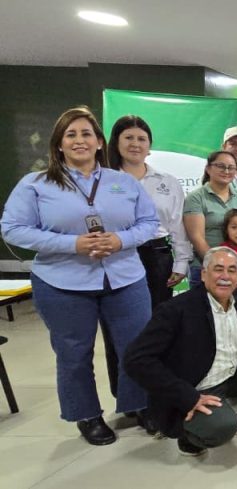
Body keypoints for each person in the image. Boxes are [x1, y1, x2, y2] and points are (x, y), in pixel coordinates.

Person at [1, 106, 159, 446]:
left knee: (137, 346)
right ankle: (86, 415)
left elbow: (149, 223)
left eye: (86, 133)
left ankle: (140, 405)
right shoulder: (36, 184)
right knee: (74, 352)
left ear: (100, 142)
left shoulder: (123, 182)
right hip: (62, 282)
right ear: (59, 144)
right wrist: (72, 244)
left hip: (125, 278)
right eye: (70, 134)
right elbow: (12, 229)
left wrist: (120, 240)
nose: (79, 140)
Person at [124, 247, 237, 456]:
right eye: (218, 269)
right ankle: (189, 436)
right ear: (204, 274)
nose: (225, 276)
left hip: (231, 376)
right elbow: (136, 359)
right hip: (195, 389)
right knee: (222, 427)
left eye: (232, 270)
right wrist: (187, 397)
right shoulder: (176, 309)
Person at [108, 115, 191, 307]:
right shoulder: (105, 180)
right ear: (116, 142)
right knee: (120, 313)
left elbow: (178, 225)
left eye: (141, 139)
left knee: (158, 314)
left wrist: (181, 263)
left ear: (149, 146)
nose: (135, 144)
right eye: (128, 138)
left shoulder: (167, 182)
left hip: (158, 256)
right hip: (118, 255)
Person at [184, 150, 237, 288]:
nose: (226, 171)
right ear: (208, 169)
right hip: (207, 269)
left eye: (231, 167)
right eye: (221, 166)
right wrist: (218, 266)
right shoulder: (196, 198)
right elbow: (197, 238)